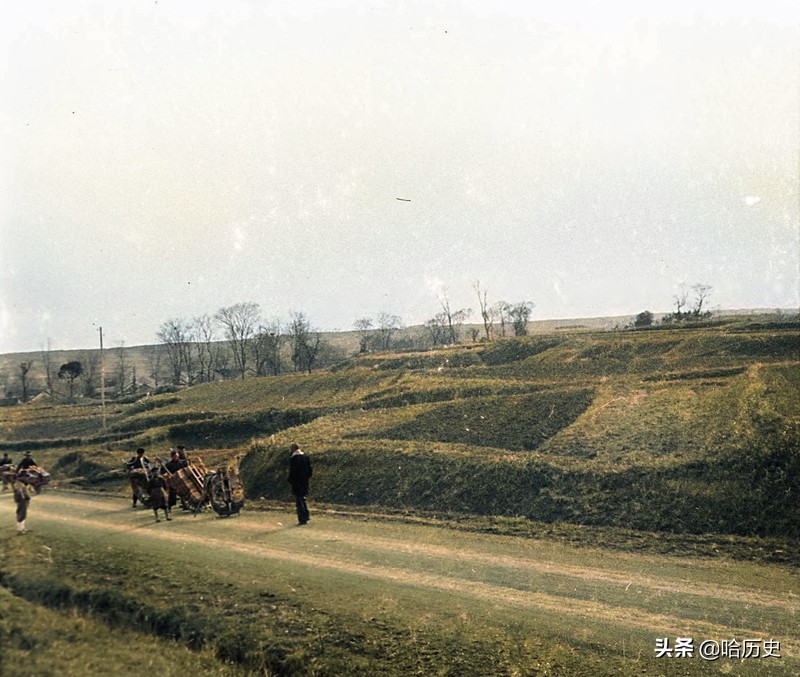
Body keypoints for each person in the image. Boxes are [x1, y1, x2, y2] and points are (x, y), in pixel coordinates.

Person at [287, 443, 312, 525]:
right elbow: (310, 470)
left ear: (293, 449)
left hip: (297, 482)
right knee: (303, 498)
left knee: (299, 500)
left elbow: (292, 472)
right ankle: (306, 515)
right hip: (304, 481)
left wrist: (291, 480)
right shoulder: (305, 457)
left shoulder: (294, 459)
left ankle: (302, 518)